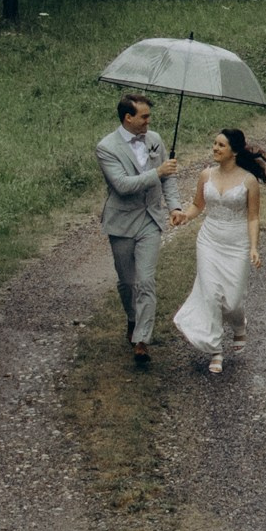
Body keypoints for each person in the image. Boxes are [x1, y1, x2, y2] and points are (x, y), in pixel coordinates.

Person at [169, 128, 266, 374]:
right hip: (209, 241)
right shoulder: (206, 175)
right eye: (214, 144)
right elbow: (197, 205)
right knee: (212, 294)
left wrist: (254, 247)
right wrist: (184, 215)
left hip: (237, 243)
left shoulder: (248, 181)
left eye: (221, 145)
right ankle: (216, 350)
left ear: (234, 151)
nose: (215, 148)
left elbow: (253, 218)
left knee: (233, 300)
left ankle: (239, 324)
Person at [96, 92, 178, 368]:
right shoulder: (106, 147)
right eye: (143, 117)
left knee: (145, 280)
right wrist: (158, 173)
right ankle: (132, 318)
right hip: (121, 221)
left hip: (150, 220)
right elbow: (122, 185)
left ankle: (142, 340)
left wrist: (175, 207)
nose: (148, 121)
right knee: (127, 282)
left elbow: (169, 181)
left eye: (148, 116)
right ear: (127, 118)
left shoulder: (155, 140)